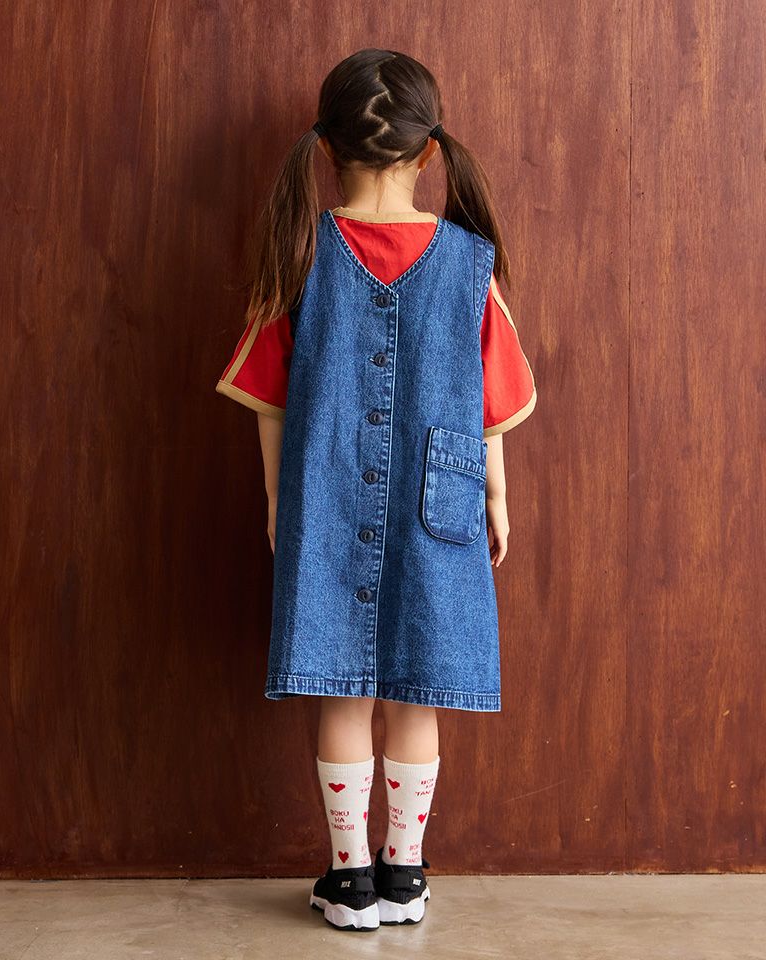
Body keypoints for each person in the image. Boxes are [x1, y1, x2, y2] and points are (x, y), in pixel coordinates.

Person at [215, 48, 537, 932]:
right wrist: (496, 500)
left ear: (326, 148)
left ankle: (349, 877)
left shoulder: (299, 254)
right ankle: (406, 873)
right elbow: (492, 405)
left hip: (325, 500)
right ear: (429, 152)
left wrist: (280, 501)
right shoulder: (471, 263)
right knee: (417, 695)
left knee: (343, 692)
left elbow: (270, 401)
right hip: (445, 502)